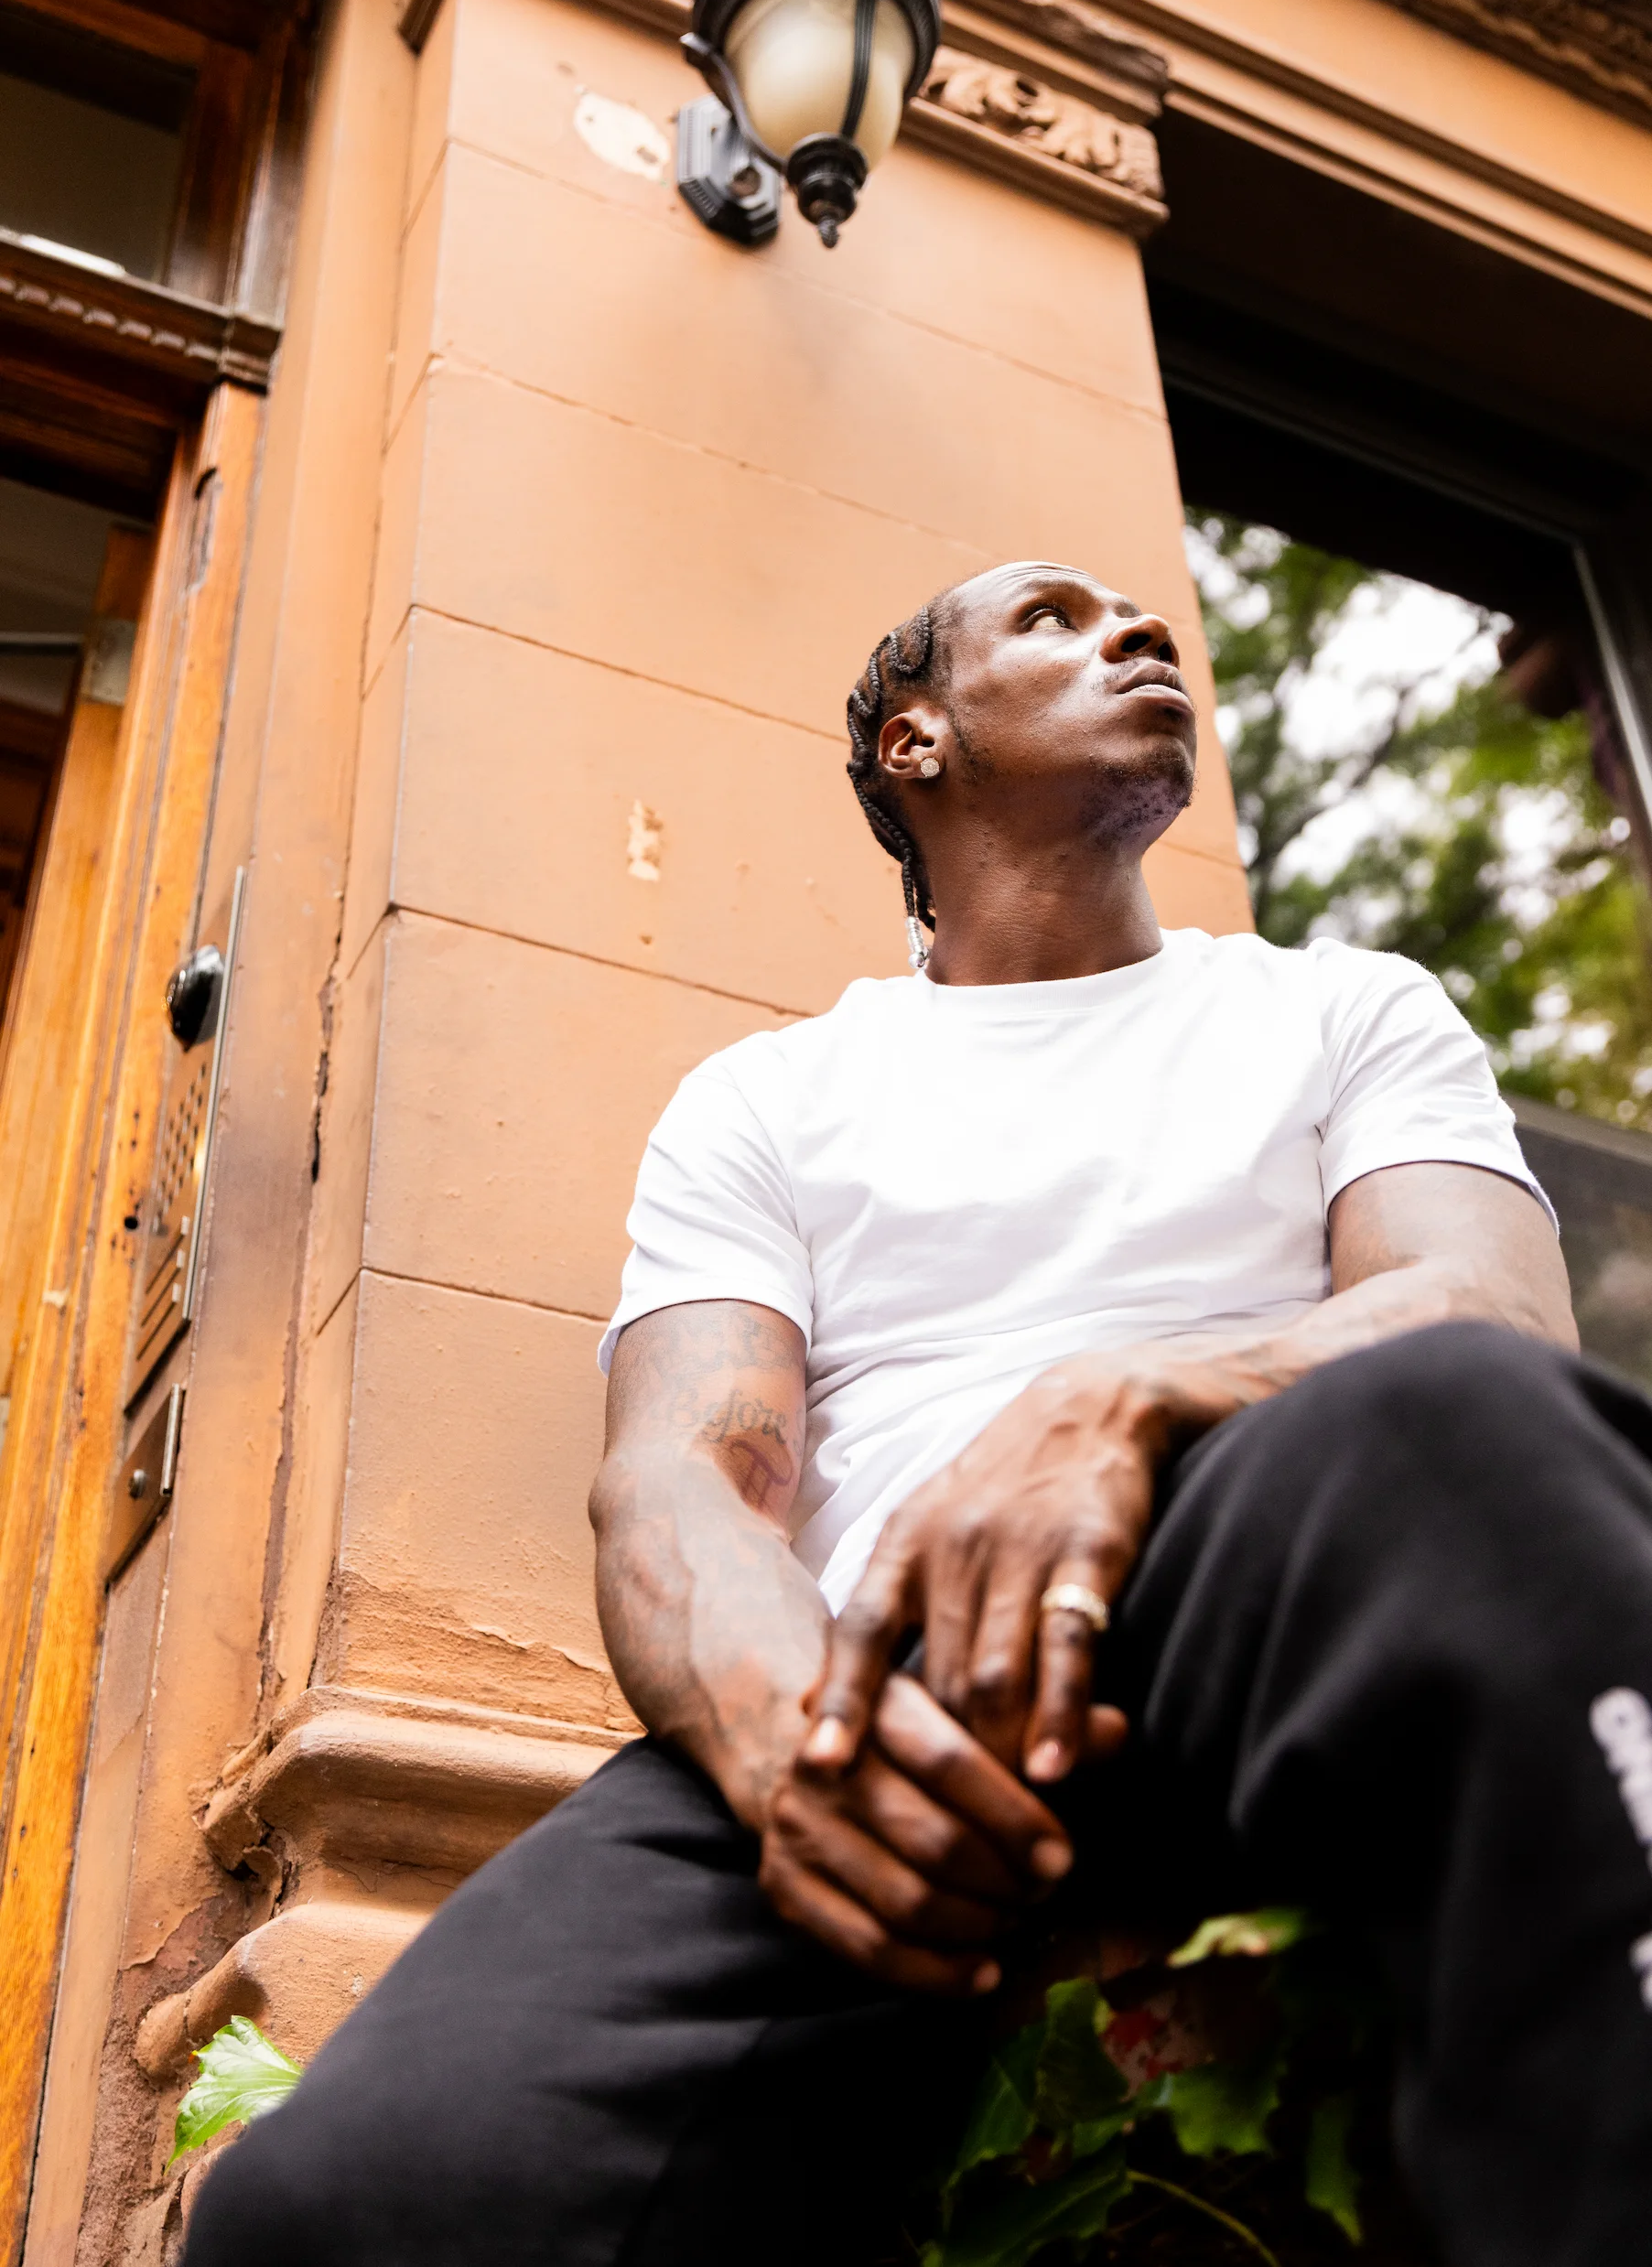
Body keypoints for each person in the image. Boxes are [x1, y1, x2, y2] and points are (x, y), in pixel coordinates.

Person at [187, 563, 1652, 2267]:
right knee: (332, 2205)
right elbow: (676, 1483)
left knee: (1455, 1425)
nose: (1142, 630)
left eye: (1144, 615)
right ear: (916, 741)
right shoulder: (771, 1098)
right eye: (1052, 614)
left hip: (1267, 1558)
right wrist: (794, 1737)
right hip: (874, 1672)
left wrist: (1129, 1391)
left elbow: (1483, 1305)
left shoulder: (1342, 1006)